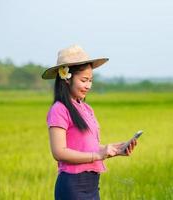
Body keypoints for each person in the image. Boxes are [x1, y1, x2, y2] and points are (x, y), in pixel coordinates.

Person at [41, 45, 137, 200]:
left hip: (92, 184)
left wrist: (114, 150)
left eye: (91, 80)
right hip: (72, 185)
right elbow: (59, 152)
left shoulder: (86, 109)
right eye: (84, 80)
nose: (88, 86)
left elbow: (87, 147)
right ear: (67, 79)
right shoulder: (59, 109)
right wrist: (98, 154)